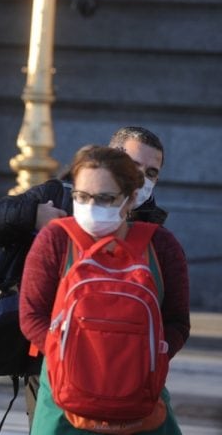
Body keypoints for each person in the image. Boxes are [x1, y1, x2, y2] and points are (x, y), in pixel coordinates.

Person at [0, 125, 170, 426]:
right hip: (52, 363)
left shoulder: (154, 228)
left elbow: (173, 314)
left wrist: (149, 356)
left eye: (152, 172)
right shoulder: (59, 196)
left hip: (125, 371)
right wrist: (32, 215)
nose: (142, 177)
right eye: (135, 164)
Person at [19, 145, 189, 434]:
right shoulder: (56, 239)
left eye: (105, 198)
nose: (91, 205)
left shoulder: (161, 245)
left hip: (140, 396)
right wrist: (67, 355)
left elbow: (177, 322)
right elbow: (31, 315)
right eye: (81, 197)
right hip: (65, 396)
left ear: (131, 198)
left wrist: (149, 358)